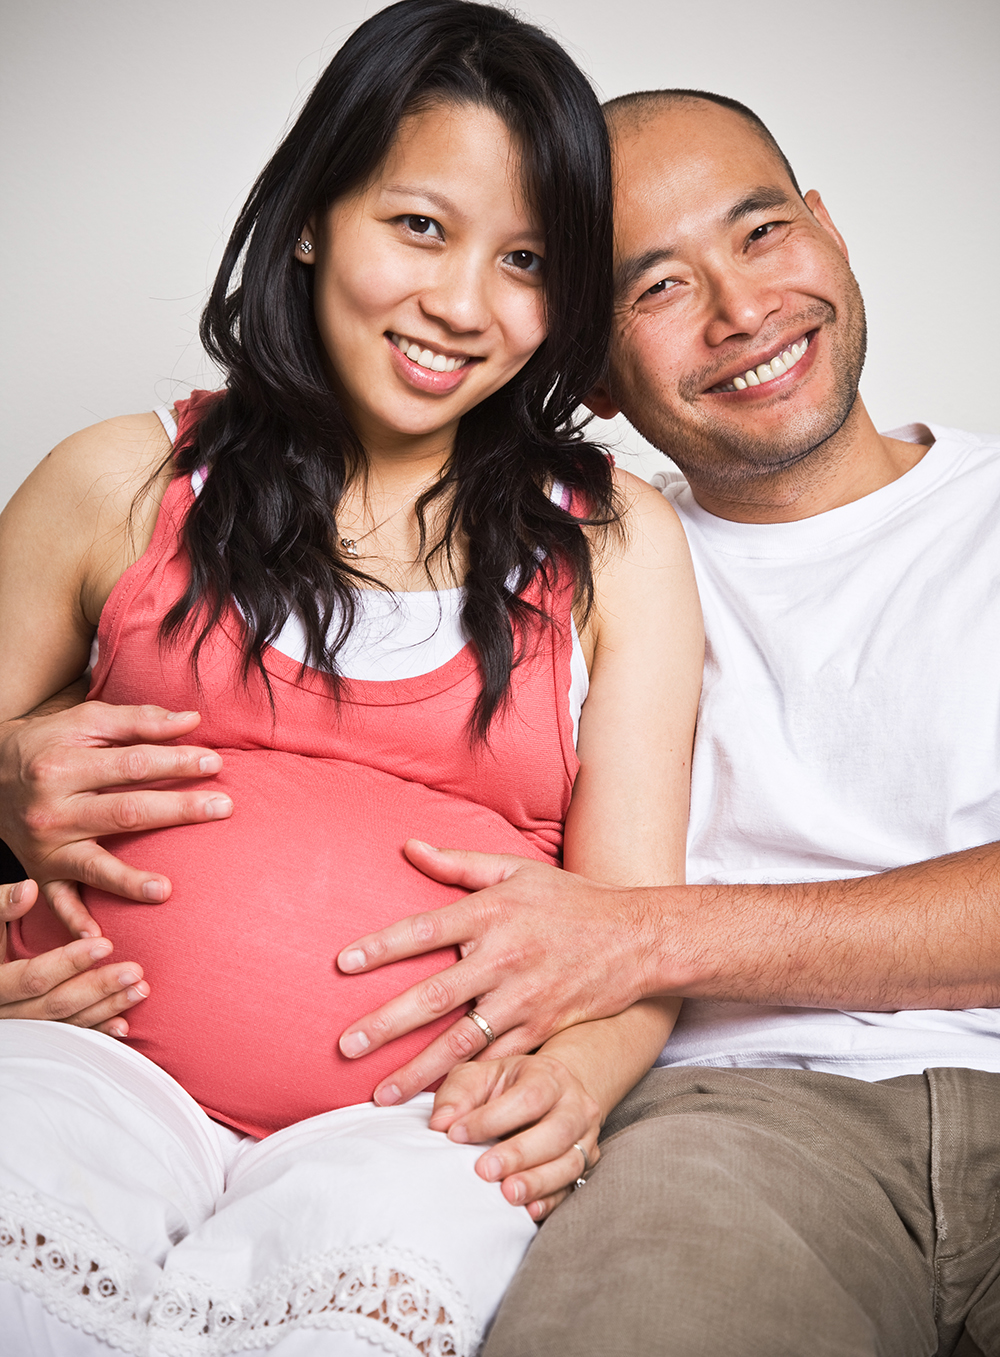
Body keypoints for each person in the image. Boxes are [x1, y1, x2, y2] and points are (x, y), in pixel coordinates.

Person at [0, 7, 703, 1352]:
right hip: (86, 1069)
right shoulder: (113, 482)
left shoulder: (618, 542)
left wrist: (574, 1078)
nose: (461, 304)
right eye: (419, 227)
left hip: (417, 1128)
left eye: (528, 262)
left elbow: (631, 923)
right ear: (316, 210)